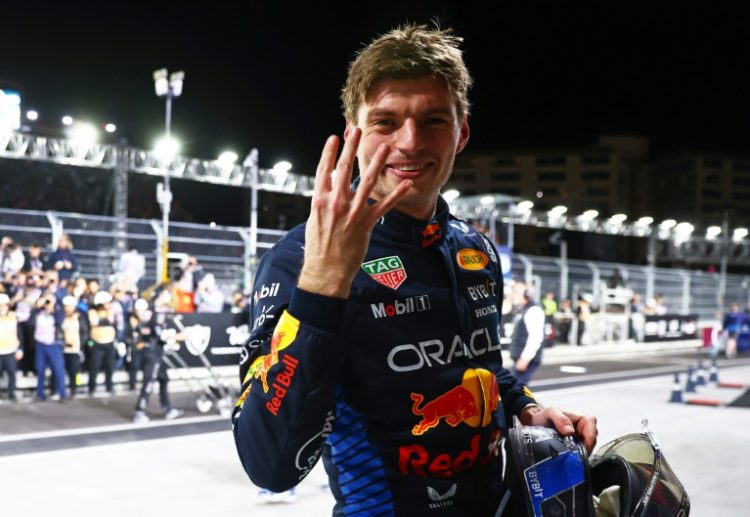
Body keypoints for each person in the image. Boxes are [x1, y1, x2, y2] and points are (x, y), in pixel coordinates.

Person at [232, 24, 597, 516]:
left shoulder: (476, 249)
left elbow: (479, 369)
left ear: (462, 131)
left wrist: (528, 406)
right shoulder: (300, 257)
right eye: (386, 122)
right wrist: (324, 283)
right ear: (354, 129)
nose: (409, 142)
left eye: (433, 121)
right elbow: (269, 466)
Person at [131, 296, 183, 423]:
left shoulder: (154, 315)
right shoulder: (152, 315)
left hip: (155, 352)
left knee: (164, 378)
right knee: (148, 382)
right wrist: (179, 336)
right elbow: (160, 333)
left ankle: (167, 408)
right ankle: (139, 410)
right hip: (151, 353)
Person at [509, 283, 546, 386]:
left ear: (526, 294)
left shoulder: (533, 310)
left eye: (516, 292)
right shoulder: (523, 309)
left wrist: (525, 358)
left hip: (526, 359)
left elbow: (535, 337)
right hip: (520, 358)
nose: (513, 295)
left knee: (515, 392)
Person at [87, 291, 117, 396]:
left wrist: (103, 321)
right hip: (97, 343)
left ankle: (109, 386)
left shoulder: (110, 311)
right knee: (94, 366)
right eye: (107, 302)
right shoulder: (92, 311)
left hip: (109, 342)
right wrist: (103, 321)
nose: (109, 304)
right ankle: (91, 387)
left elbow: (111, 320)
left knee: (110, 366)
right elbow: (94, 323)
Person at [61, 295, 88, 398]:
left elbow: (84, 333)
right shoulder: (61, 318)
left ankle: (75, 387)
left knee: (75, 371)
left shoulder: (79, 318)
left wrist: (80, 345)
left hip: (75, 349)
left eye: (70, 306)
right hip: (63, 348)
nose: (68, 308)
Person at [0, 293, 24, 401]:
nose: (2, 307)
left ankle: (11, 394)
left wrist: (20, 349)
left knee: (12, 373)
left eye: (4, 305)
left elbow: (20, 334)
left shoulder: (14, 316)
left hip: (11, 350)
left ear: (8, 305)